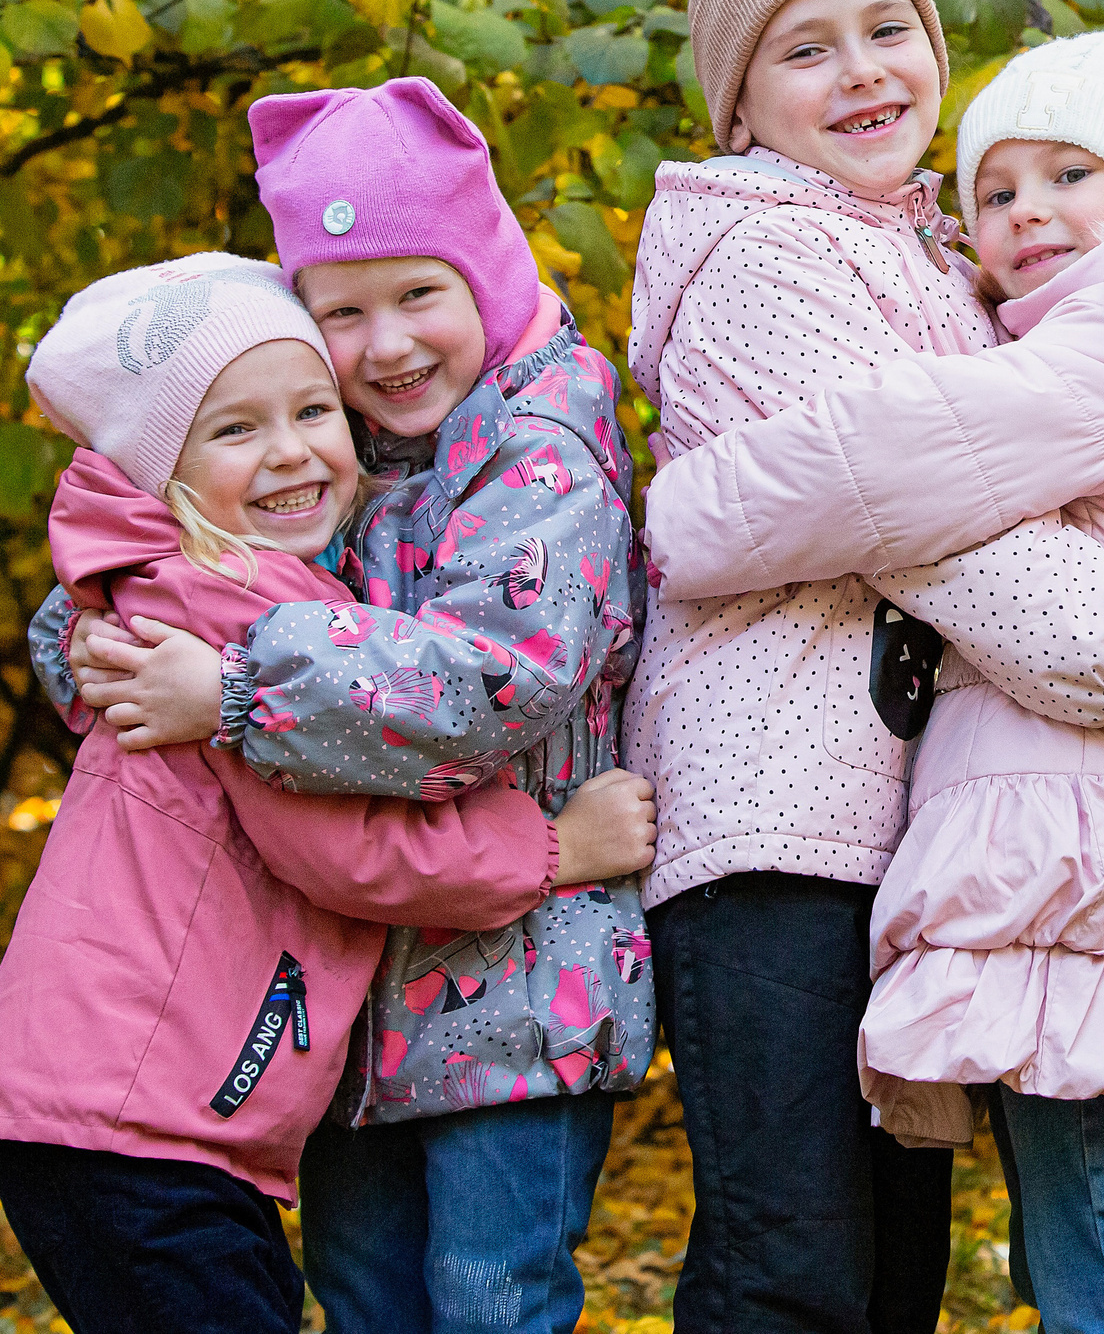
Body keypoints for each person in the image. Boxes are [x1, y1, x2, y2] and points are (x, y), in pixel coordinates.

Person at [625, 0, 1104, 1334]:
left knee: (894, 1268)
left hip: (887, 818)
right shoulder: (758, 255)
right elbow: (934, 526)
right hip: (769, 810)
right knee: (797, 1257)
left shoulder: (931, 263)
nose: (863, 72)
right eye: (805, 50)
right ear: (737, 103)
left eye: (888, 28)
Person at [40, 80, 654, 1334]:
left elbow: (495, 679)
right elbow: (176, 562)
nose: (387, 347)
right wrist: (98, 640)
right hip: (346, 1005)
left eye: (419, 294)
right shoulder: (338, 450)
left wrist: (233, 689)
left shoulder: (542, 447)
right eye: (343, 314)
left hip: (521, 987)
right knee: (362, 1298)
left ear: (484, 270)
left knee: (490, 1299)